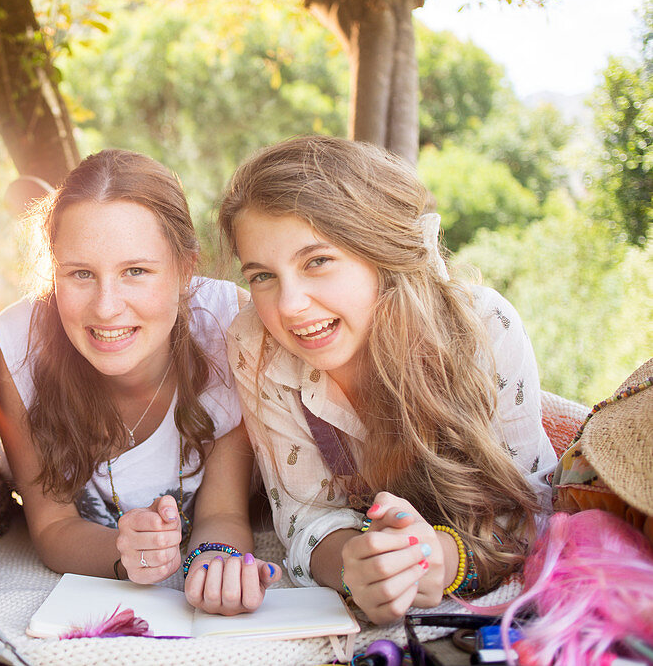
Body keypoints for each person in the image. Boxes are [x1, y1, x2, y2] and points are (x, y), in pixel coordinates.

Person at [217, 135, 556, 625]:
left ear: (380, 251)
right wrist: (354, 565)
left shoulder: (483, 328)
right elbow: (303, 514)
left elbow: (536, 506)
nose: (289, 306)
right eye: (262, 276)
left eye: (317, 261)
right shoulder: (256, 344)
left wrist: (442, 559)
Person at [0, 149, 281, 616]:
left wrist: (214, 560)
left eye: (136, 271)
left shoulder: (230, 329)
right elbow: (52, 527)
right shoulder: (15, 347)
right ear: (54, 270)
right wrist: (122, 555)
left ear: (186, 268)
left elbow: (222, 513)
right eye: (81, 273)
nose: (106, 307)